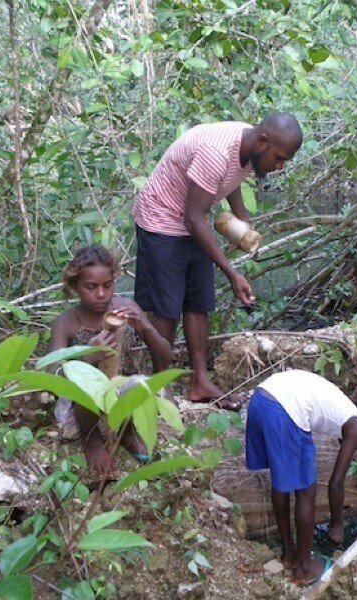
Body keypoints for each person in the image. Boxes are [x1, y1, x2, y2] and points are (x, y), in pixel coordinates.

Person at [132, 113, 303, 410]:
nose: (279, 166)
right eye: (279, 158)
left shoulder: (248, 145)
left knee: (198, 301)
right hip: (161, 218)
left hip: (190, 220)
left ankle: (199, 381)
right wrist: (231, 272)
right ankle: (161, 387)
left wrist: (242, 219)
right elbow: (194, 218)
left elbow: (230, 180)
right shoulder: (216, 151)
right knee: (166, 308)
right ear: (263, 141)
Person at [245, 369, 357, 587]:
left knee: (281, 481)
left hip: (260, 401)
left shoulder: (341, 404)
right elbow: (336, 483)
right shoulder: (356, 425)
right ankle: (304, 569)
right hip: (285, 411)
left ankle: (288, 555)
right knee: (306, 491)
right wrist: (337, 523)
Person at [48, 245, 172, 478]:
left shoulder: (126, 309)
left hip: (123, 392)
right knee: (87, 385)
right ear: (75, 286)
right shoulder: (66, 322)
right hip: (81, 409)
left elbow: (166, 356)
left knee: (142, 385)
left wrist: (145, 326)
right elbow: (51, 375)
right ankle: (91, 439)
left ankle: (126, 431)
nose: (101, 294)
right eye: (91, 287)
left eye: (108, 285)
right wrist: (86, 359)